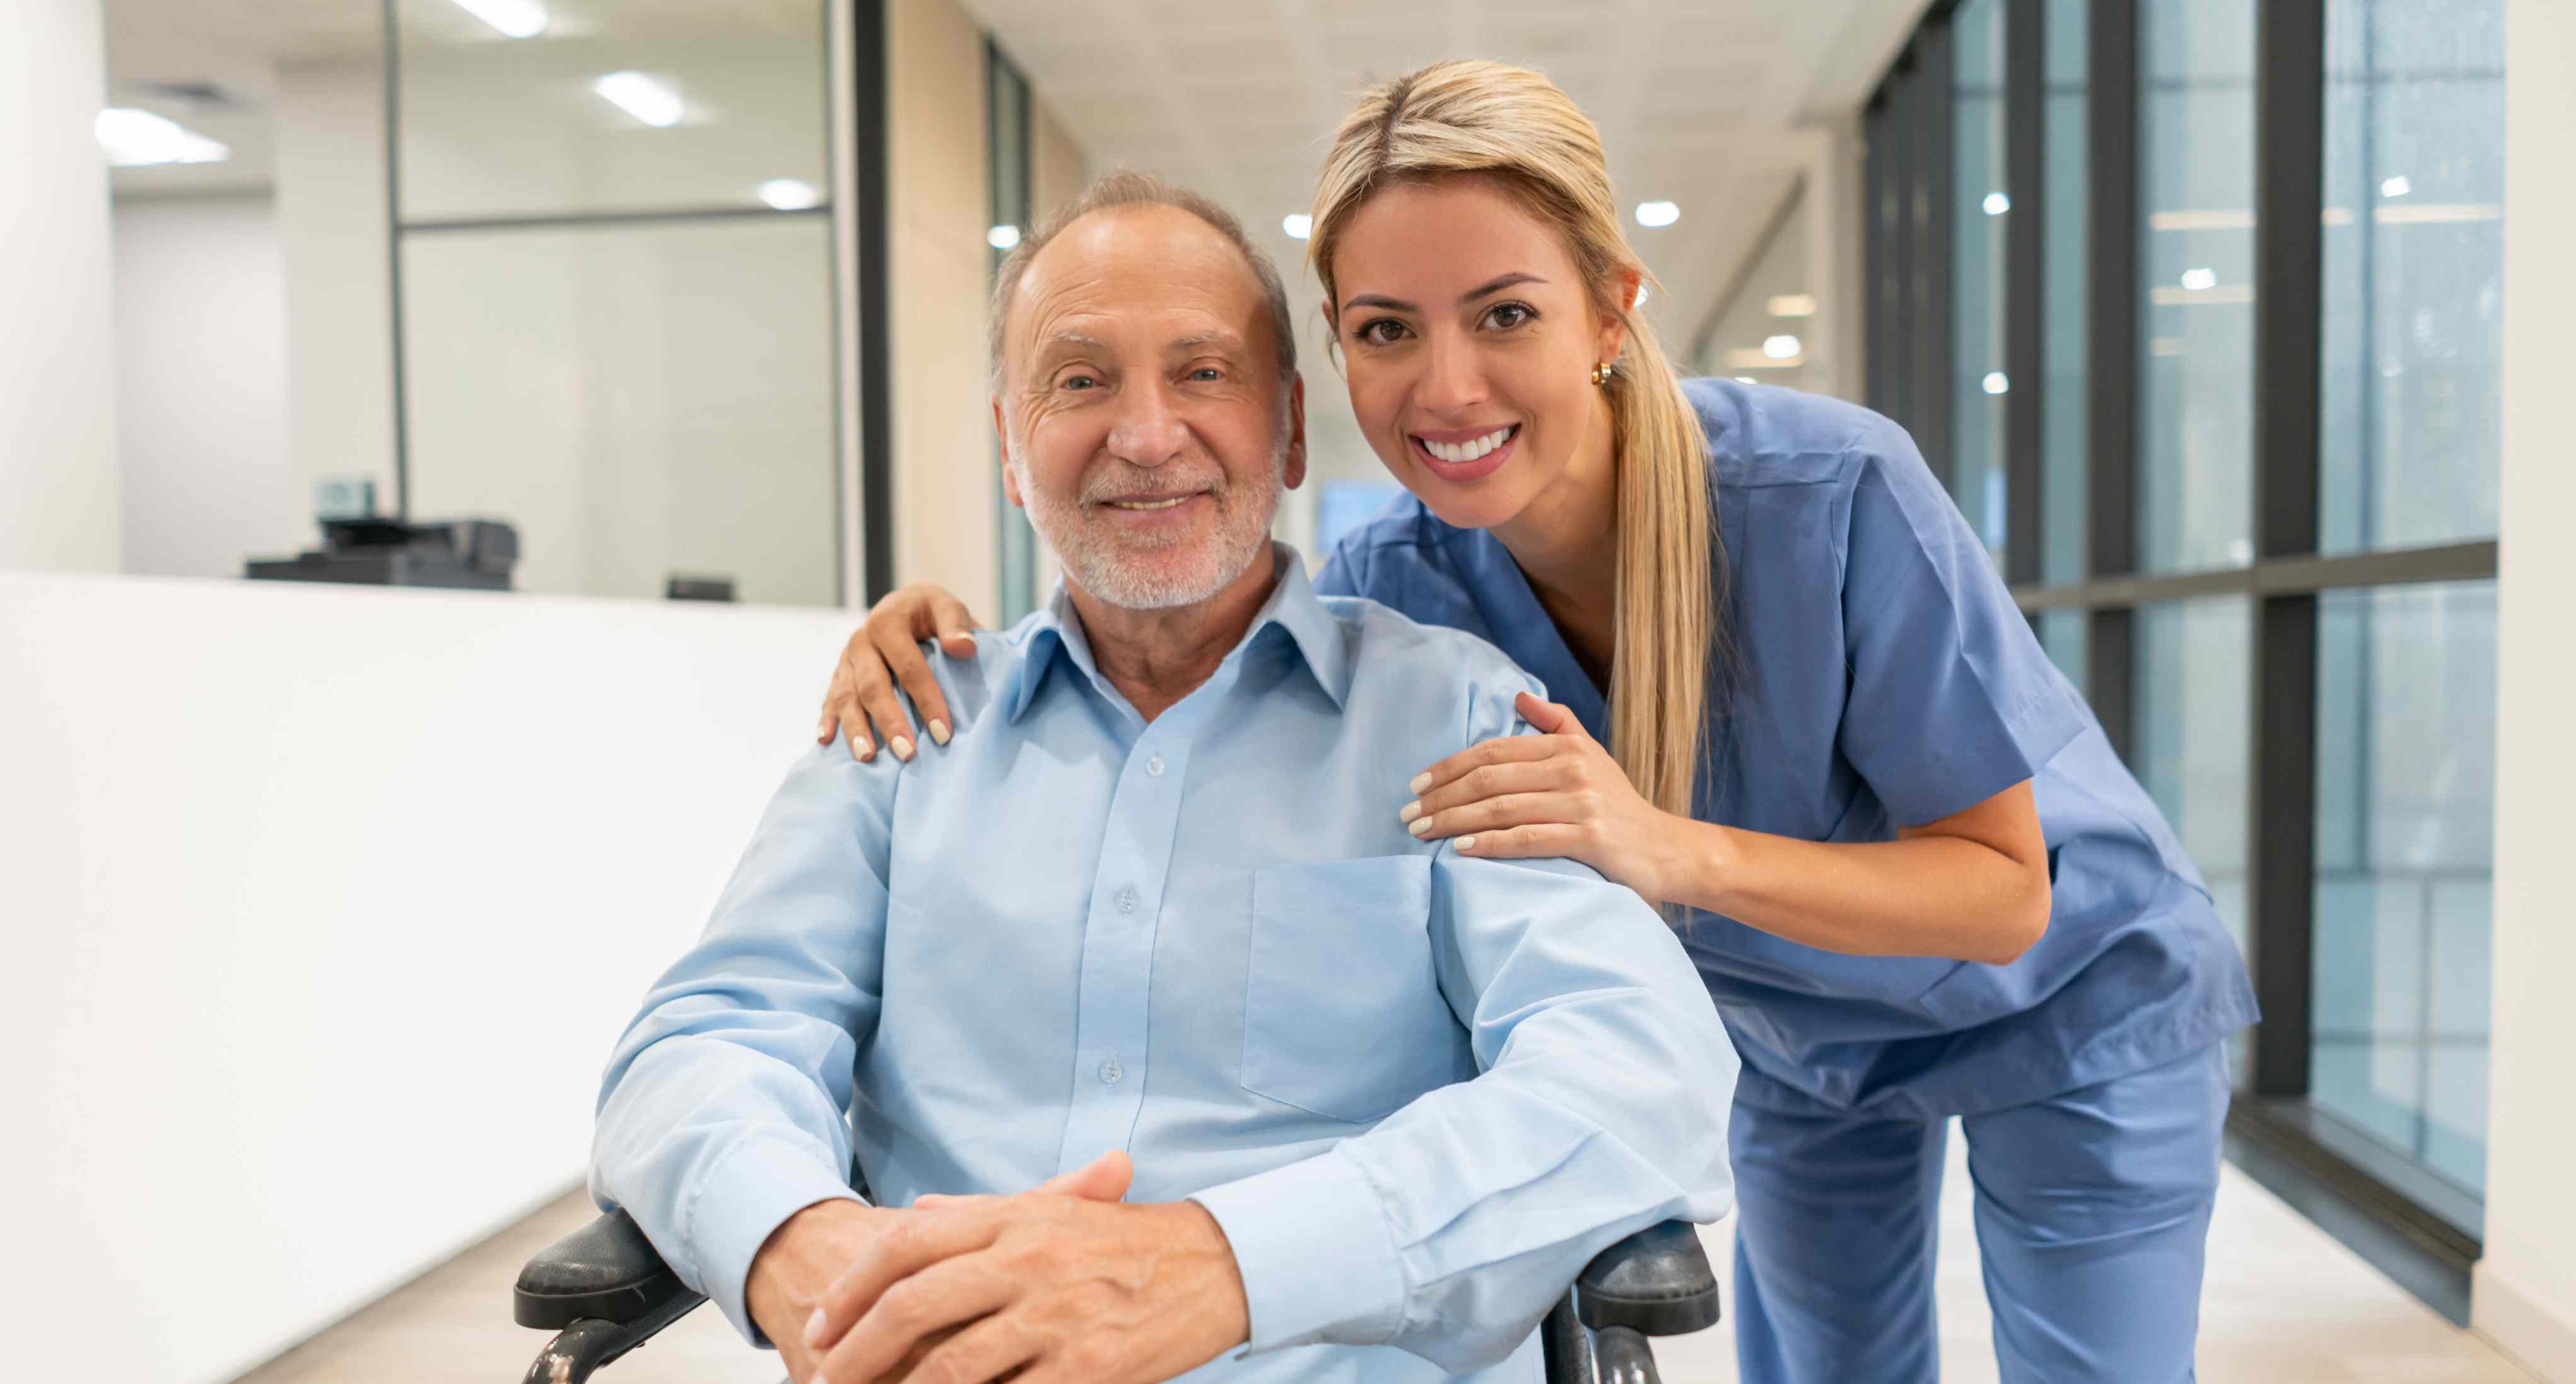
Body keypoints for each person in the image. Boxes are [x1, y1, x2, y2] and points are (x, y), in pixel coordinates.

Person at [817, 61, 2259, 1384]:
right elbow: (1183, 599)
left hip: (2073, 1005)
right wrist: (950, 628)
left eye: (1505, 313)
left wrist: (1666, 849)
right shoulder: (1398, 582)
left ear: (1611, 310)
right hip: (1796, 1040)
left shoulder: (1827, 497)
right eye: (1388, 329)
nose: (1446, 388)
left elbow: (2005, 897)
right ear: (1336, 352)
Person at [592, 171, 1738, 1384]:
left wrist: (1226, 1266)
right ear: (1009, 446)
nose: (1144, 437)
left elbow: (1636, 1074)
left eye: (1202, 373)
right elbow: (701, 1040)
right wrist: (803, 1247)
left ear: (1292, 429)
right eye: (1081, 381)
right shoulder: (909, 725)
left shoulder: (1450, 713)